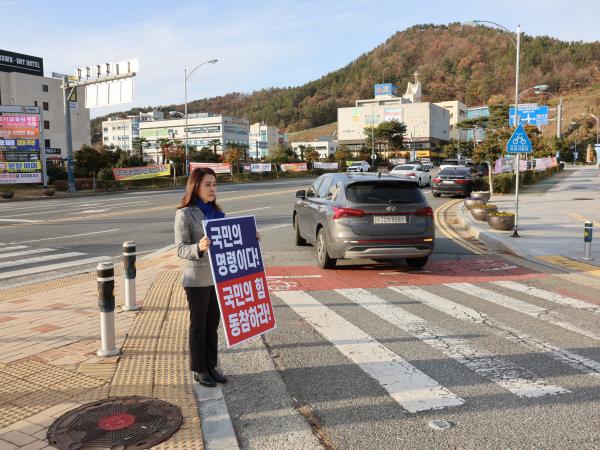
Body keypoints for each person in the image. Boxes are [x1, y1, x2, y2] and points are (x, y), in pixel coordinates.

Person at [174, 167, 227, 387]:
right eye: (208, 184)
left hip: (217, 277)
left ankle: (211, 365)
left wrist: (249, 237)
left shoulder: (218, 213)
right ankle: (199, 369)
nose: (212, 188)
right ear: (196, 186)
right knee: (199, 326)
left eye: (214, 184)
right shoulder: (185, 213)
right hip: (196, 279)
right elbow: (180, 248)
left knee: (212, 324)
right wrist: (200, 246)